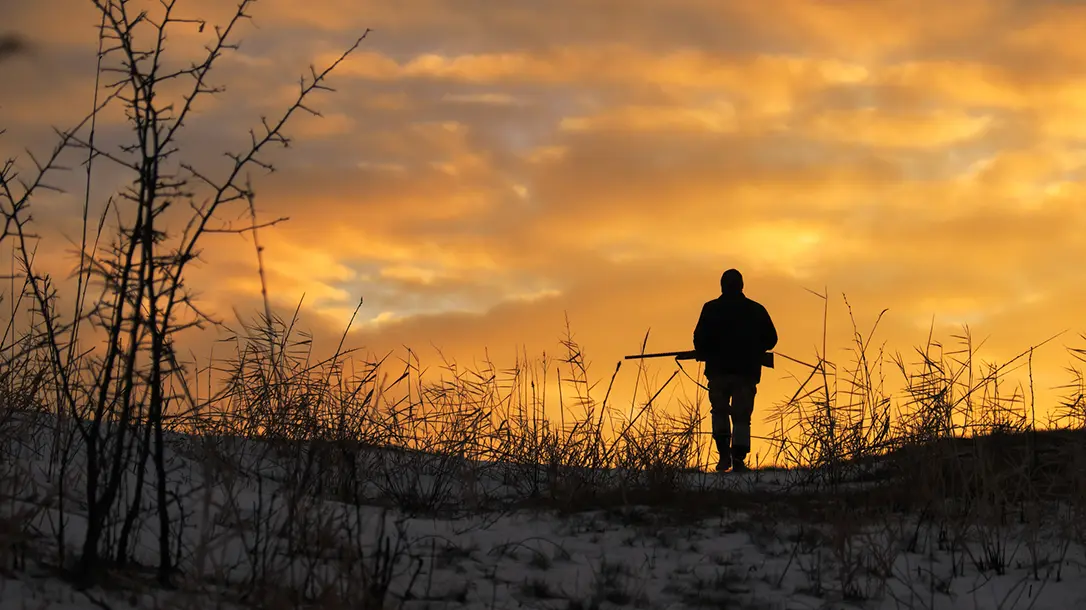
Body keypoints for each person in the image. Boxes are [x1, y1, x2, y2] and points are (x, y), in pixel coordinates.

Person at [693, 269, 777, 472]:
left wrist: (709, 351)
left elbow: (698, 341)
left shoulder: (711, 309)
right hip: (745, 373)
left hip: (718, 373)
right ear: (742, 286)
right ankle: (738, 460)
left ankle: (723, 457)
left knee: (719, 412)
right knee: (741, 417)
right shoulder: (755, 309)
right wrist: (754, 349)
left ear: (722, 286)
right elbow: (771, 339)